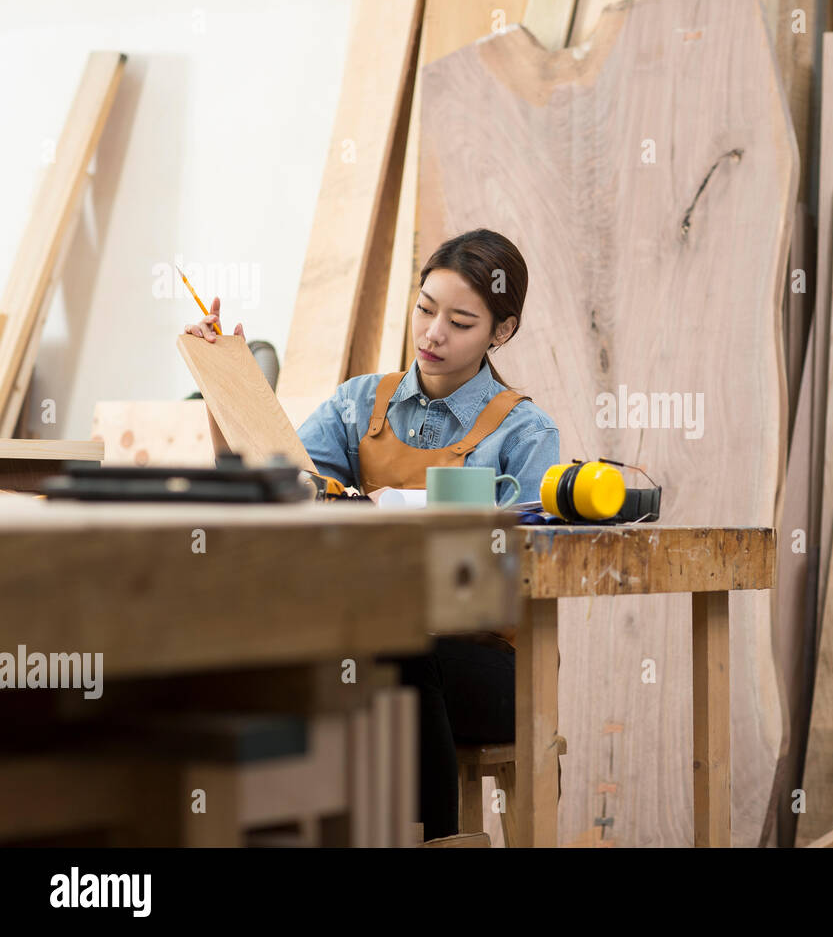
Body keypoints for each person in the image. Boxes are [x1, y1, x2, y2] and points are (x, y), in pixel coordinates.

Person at [183, 228, 560, 840]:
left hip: (498, 668)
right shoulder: (361, 403)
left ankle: (430, 840)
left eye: (461, 321)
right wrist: (227, 384)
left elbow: (529, 531)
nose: (433, 333)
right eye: (425, 309)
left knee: (395, 652)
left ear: (502, 331)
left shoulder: (525, 430)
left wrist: (408, 501)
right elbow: (280, 486)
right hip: (377, 643)